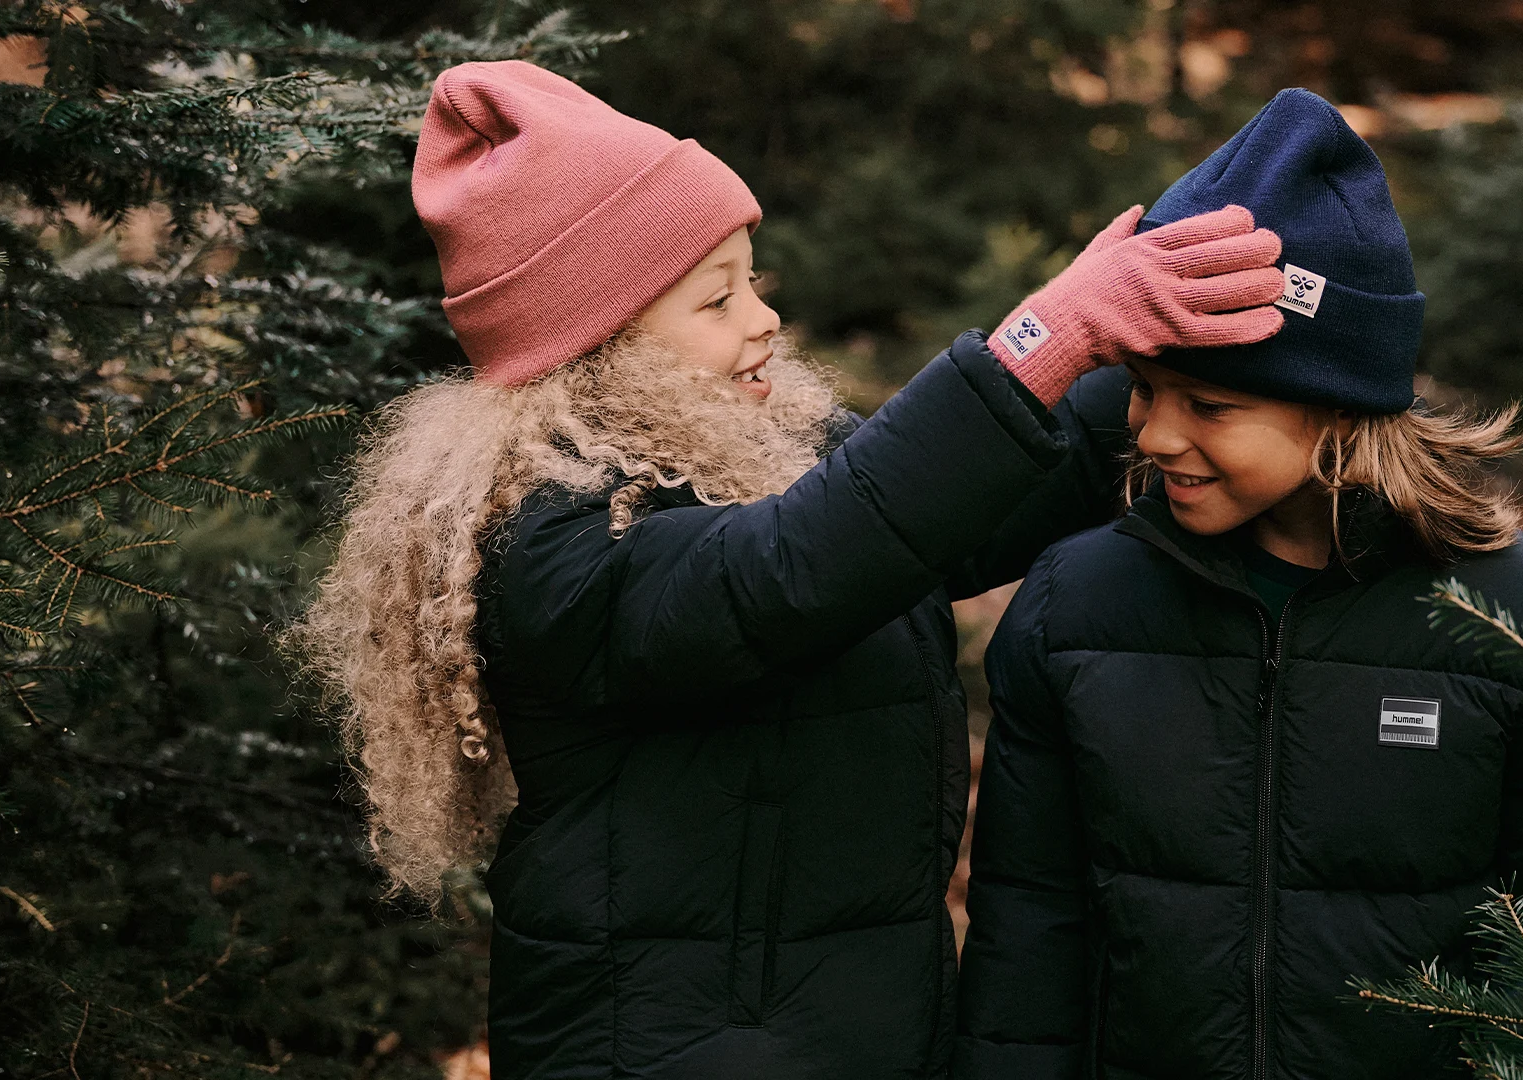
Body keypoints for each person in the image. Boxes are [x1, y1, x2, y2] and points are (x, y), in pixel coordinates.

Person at [288, 61, 1291, 1080]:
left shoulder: (761, 463)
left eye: (752, 279)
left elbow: (949, 518)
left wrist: (1138, 338)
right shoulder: (544, 541)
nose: (763, 317)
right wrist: (1046, 337)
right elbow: (797, 567)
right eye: (715, 299)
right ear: (596, 349)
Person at [953, 88, 1523, 1080]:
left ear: (1339, 410)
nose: (1156, 435)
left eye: (1209, 403)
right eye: (1144, 390)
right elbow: (1029, 929)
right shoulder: (1073, 609)